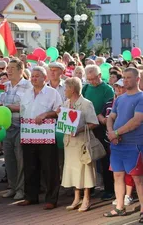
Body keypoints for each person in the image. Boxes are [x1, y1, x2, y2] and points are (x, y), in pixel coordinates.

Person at [18, 66, 62, 210]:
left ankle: (51, 199)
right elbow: (22, 111)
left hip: (46, 135)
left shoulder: (52, 93)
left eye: (37, 76)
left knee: (49, 168)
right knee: (30, 166)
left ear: (45, 78)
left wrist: (45, 115)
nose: (34, 78)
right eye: (32, 76)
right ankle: (31, 196)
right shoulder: (26, 93)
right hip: (29, 134)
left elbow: (59, 111)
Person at [104, 68, 143, 222]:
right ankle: (120, 207)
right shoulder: (119, 98)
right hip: (117, 145)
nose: (125, 81)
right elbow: (110, 117)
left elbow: (136, 121)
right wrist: (110, 132)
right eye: (124, 78)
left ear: (137, 79)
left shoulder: (141, 98)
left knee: (138, 179)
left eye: (128, 78)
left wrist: (116, 133)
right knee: (118, 175)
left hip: (134, 145)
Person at [60, 77, 99, 212]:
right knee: (73, 170)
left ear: (72, 89)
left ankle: (87, 198)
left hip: (82, 143)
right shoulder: (65, 104)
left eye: (66, 88)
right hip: (69, 143)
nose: (64, 90)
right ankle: (76, 198)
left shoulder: (86, 104)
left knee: (85, 170)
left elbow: (94, 122)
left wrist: (79, 129)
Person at [0, 58, 32, 200]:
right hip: (5, 127)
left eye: (13, 68)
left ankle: (21, 189)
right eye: (8, 68)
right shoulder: (3, 86)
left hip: (21, 126)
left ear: (21, 70)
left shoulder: (28, 86)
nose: (9, 70)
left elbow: (29, 106)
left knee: (21, 160)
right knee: (9, 159)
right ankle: (12, 187)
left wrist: (9, 108)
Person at [83, 65, 115, 201]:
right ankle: (89, 189)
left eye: (94, 79)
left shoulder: (107, 89)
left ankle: (109, 189)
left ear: (100, 75)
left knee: (104, 158)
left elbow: (108, 108)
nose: (92, 82)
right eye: (89, 79)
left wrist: (98, 117)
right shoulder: (85, 88)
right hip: (87, 127)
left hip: (101, 127)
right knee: (87, 158)